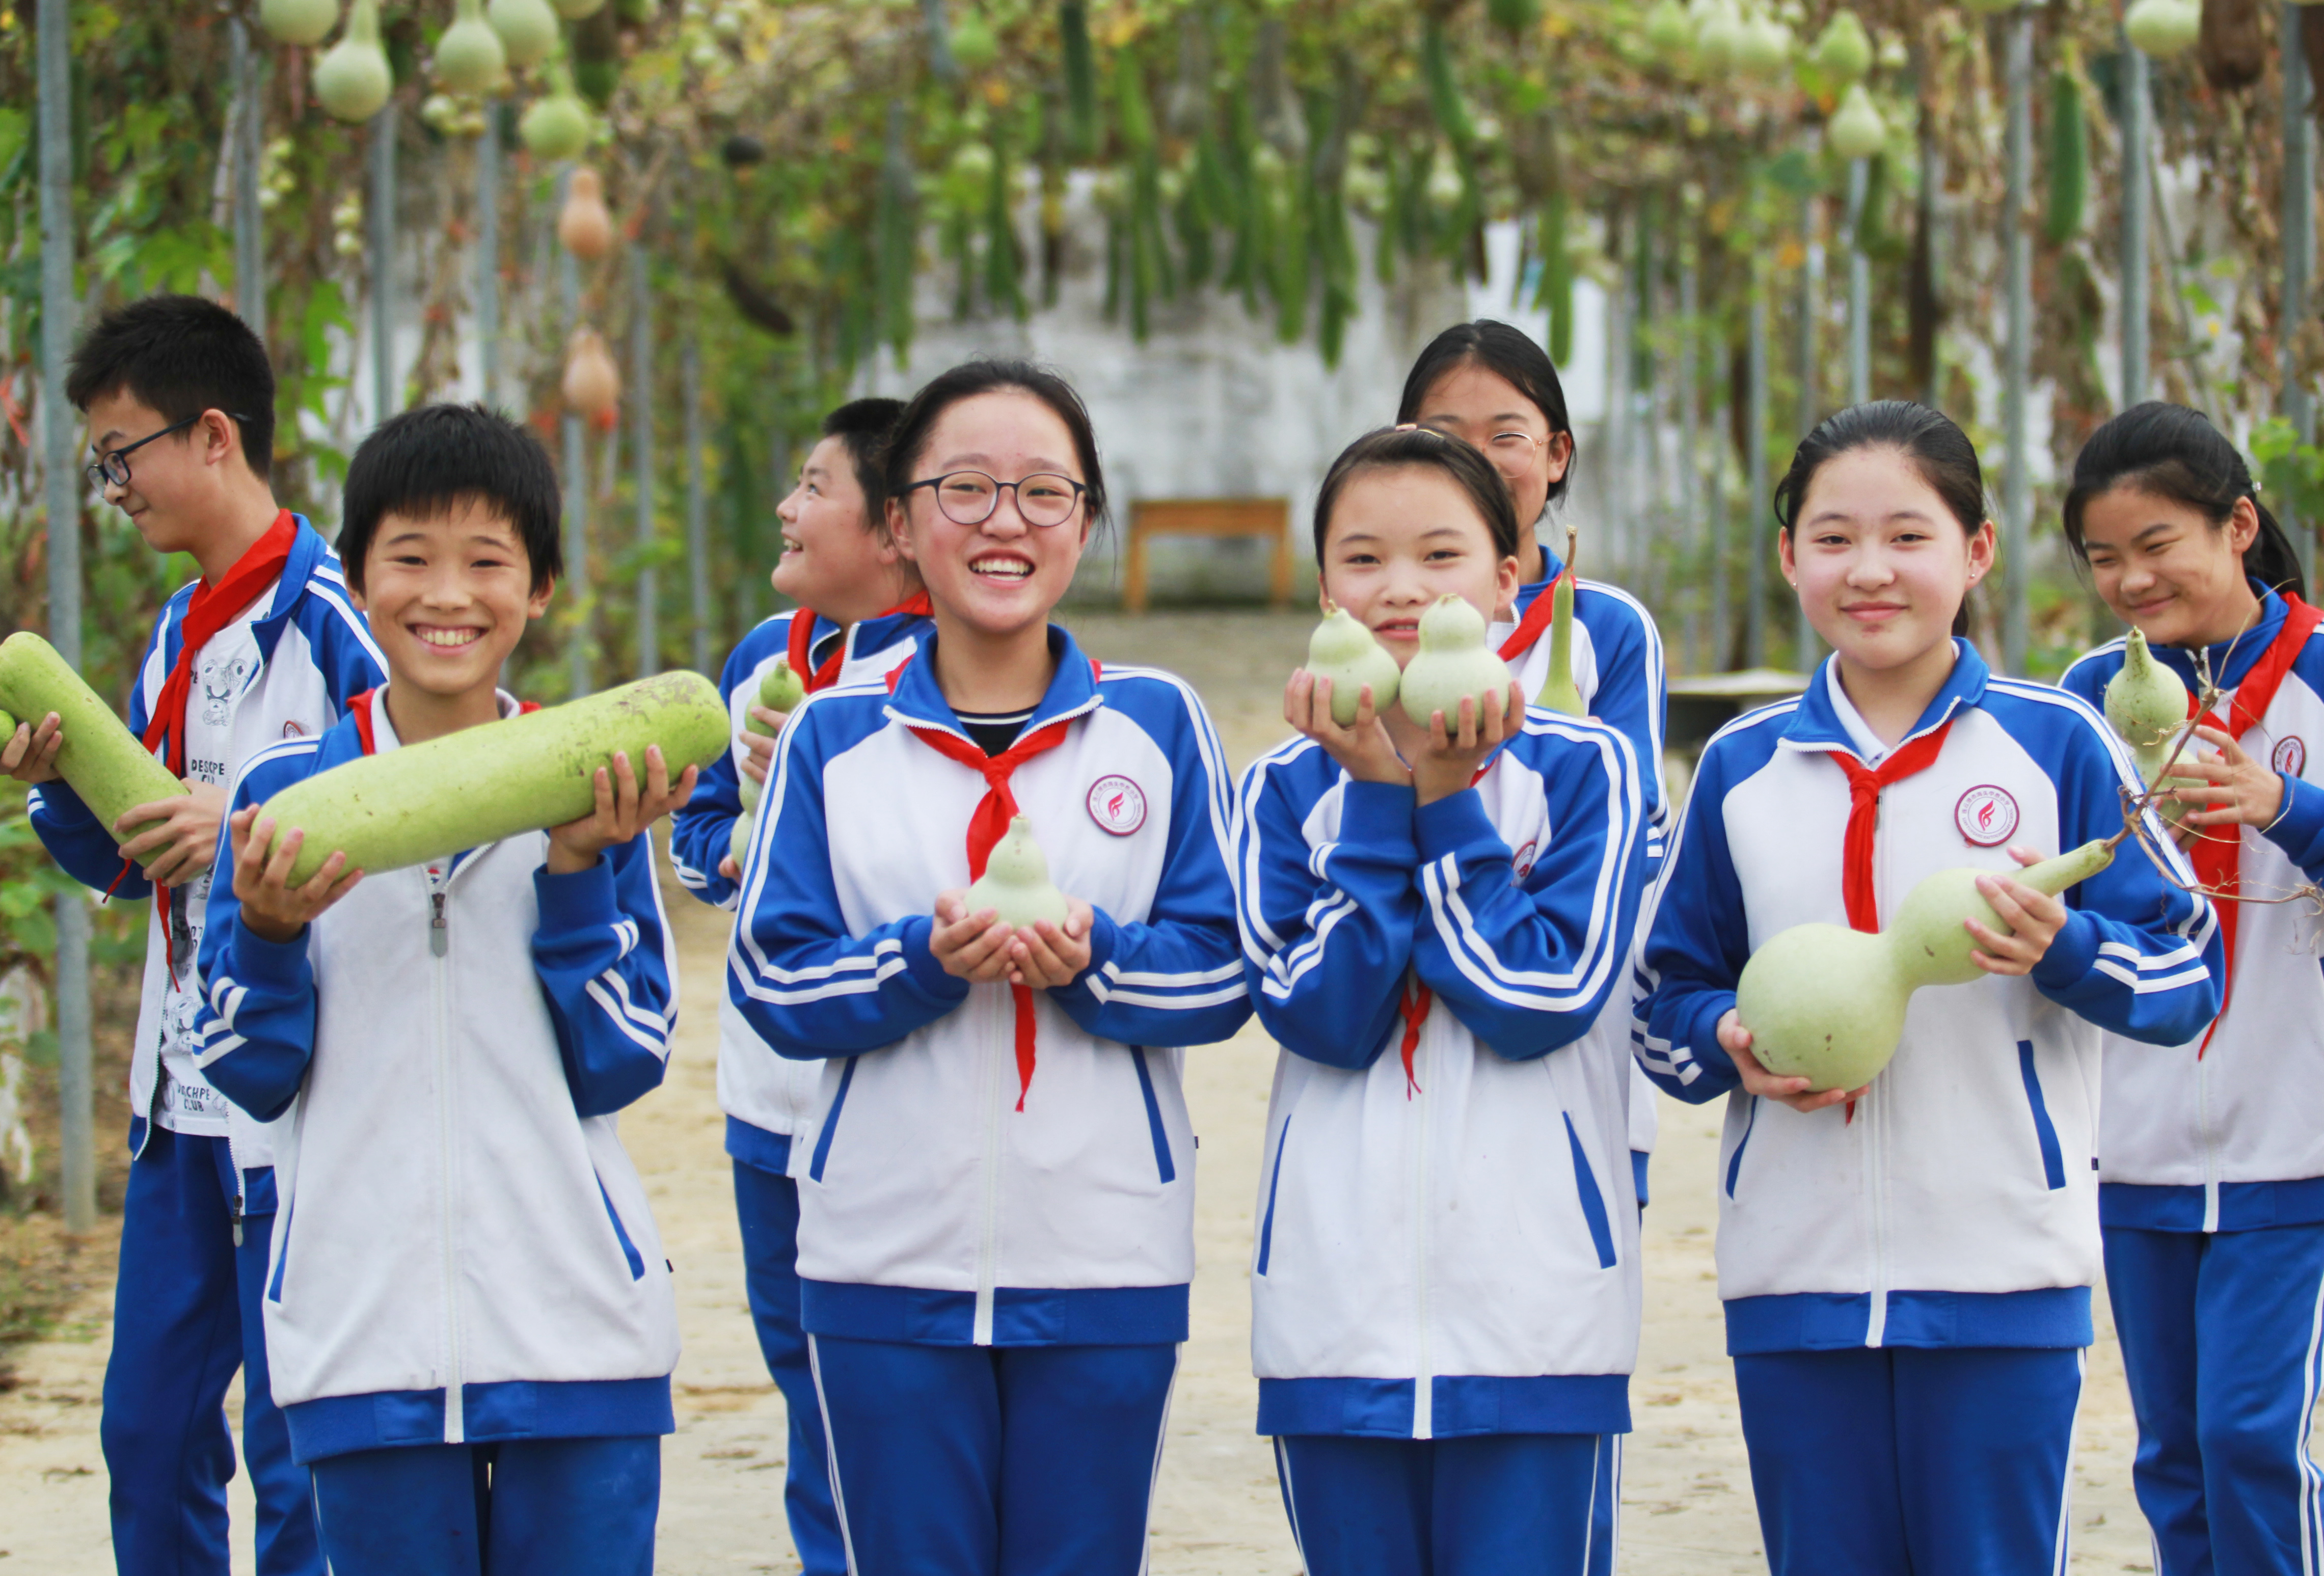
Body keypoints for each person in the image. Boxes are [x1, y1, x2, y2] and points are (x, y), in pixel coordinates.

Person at [1635, 400, 2223, 1576]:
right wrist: (1726, 1038)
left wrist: (2061, 948)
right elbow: (1663, 1000)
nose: (1870, 571)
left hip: (2002, 1268)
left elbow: (2189, 974)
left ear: (1978, 552)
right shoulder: (1743, 769)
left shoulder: (2056, 744)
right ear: (1790, 555)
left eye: (1908, 535)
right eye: (1832, 537)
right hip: (1793, 1276)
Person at [726, 359, 1251, 1576]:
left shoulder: (1159, 725)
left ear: (1087, 522)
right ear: (902, 525)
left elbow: (1222, 972)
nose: (1004, 519)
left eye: (1043, 491)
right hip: (878, 1262)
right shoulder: (832, 735)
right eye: (965, 488)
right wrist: (917, 959)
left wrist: (1093, 960)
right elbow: (773, 980)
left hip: (1105, 1260)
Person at [191, 403, 691, 1576]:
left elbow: (627, 1056)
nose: (448, 595)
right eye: (410, 558)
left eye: (489, 563)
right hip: (364, 1347)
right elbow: (244, 1072)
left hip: (579, 1337)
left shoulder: (591, 785)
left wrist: (575, 878)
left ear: (543, 588)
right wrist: (265, 934)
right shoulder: (285, 796)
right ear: (358, 581)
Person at [0, 296, 385, 1576]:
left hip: (299, 1098)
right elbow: (133, 853)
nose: (110, 485)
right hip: (180, 1100)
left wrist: (256, 811)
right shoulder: (175, 632)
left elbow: (416, 806)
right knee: (148, 1438)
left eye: (120, 453)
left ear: (212, 434)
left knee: (294, 1447)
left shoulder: (341, 619)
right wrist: (55, 783)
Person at [2058, 402, 2324, 1576]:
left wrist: (2287, 806)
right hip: (2134, 1136)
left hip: (2298, 1130)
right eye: (2102, 557)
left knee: (2251, 1437)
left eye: (2157, 545)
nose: (2130, 579)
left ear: (2238, 526)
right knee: (2173, 1451)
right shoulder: (2089, 696)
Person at [1233, 426, 1650, 1576]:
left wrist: (1451, 807)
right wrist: (1375, 796)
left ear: (1509, 580)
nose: (1401, 588)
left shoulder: (1584, 771)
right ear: (1324, 591)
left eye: (1441, 555)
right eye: (1362, 560)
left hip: (1538, 1315)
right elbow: (1322, 1014)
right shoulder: (1279, 789)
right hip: (1333, 1314)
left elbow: (1539, 996)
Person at [666, 395, 931, 1575]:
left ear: (891, 531)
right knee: (801, 1365)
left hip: (893, 1088)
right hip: (768, 1089)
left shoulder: (950, 667)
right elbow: (699, 835)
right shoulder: (758, 667)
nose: (786, 506)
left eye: (814, 487)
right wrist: (749, 833)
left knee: (898, 1379)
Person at [1395, 319, 1669, 1207]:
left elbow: (1631, 841)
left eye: (1505, 435)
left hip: (1563, 1014)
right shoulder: (1378, 618)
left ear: (1555, 455)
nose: (1474, 458)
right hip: (1401, 1011)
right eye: (1443, 436)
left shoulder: (1609, 628)